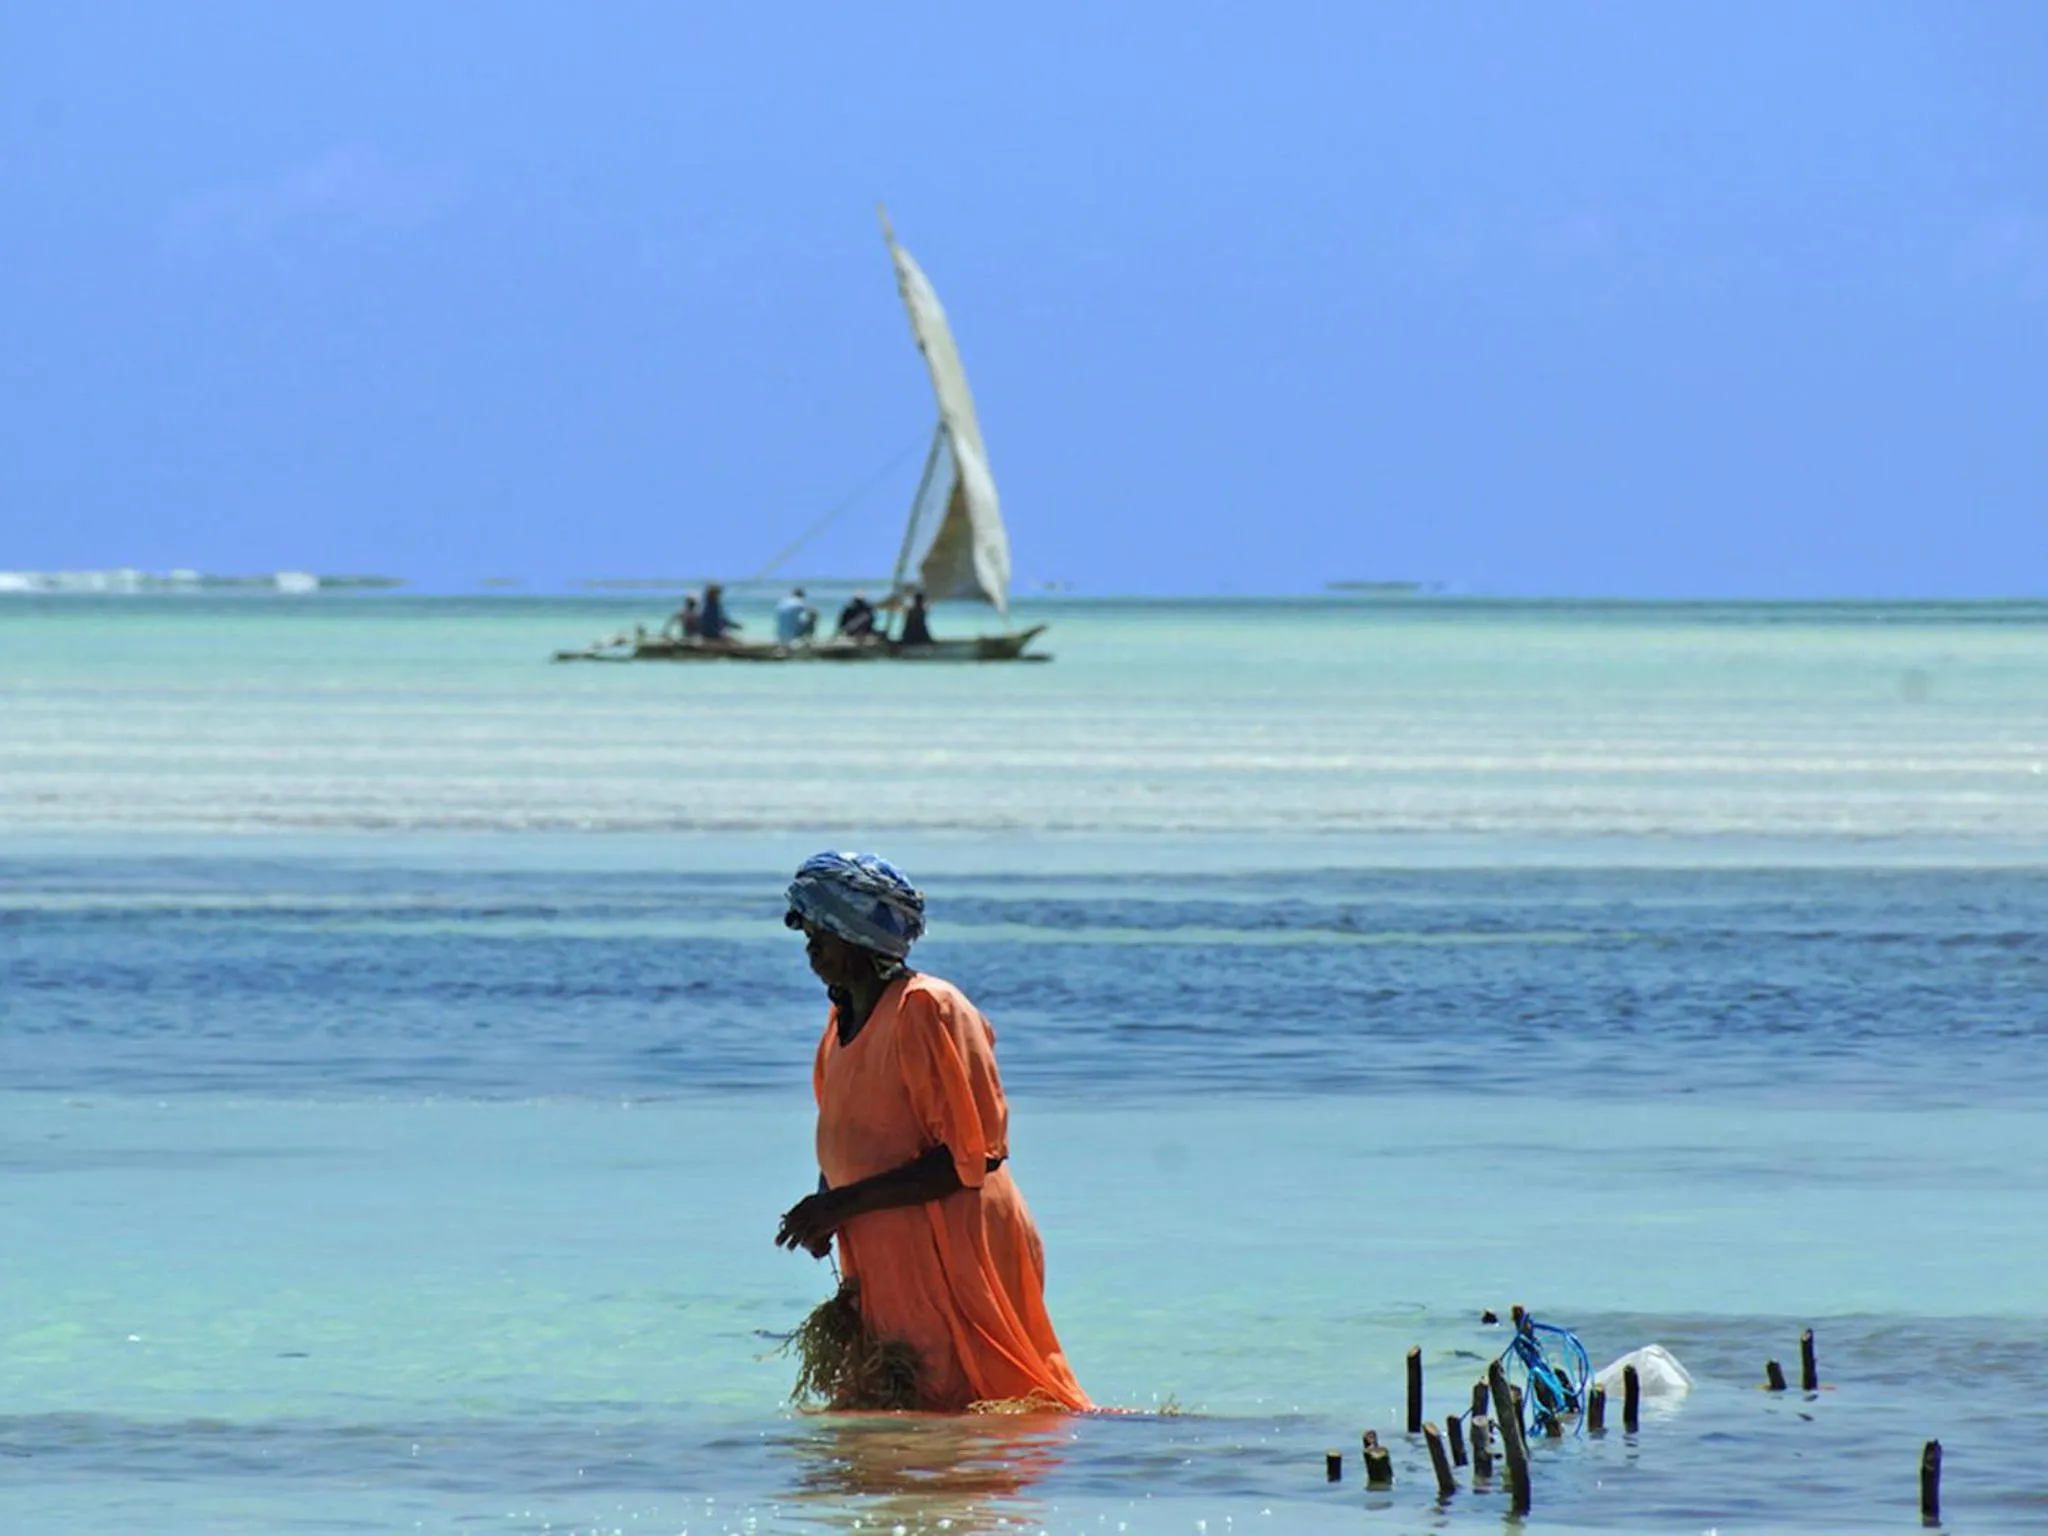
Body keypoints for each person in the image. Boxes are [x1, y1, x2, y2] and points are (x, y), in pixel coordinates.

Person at [775, 852, 1091, 1413]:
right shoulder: (840, 1024)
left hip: (953, 1235)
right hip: (884, 1241)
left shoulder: (927, 1009)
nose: (811, 947)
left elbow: (968, 1159)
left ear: (860, 935)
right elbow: (847, 1129)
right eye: (808, 933)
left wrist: (840, 1204)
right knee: (901, 1412)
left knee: (974, 1395)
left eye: (822, 932)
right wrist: (827, 1209)